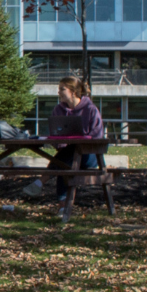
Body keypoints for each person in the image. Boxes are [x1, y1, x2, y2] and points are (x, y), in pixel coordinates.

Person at [40, 76, 103, 216]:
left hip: (89, 155)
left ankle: (42, 180)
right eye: (58, 89)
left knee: (71, 152)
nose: (59, 92)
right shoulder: (58, 110)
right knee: (66, 162)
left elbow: (98, 136)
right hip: (67, 155)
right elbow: (56, 136)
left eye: (62, 89)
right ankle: (63, 208)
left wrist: (82, 139)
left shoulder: (91, 109)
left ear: (73, 91)